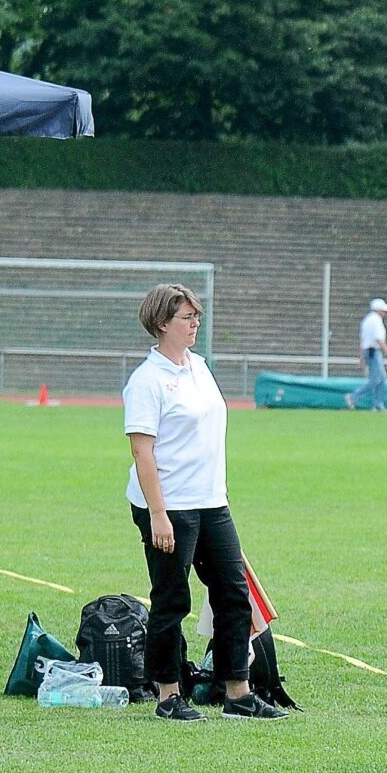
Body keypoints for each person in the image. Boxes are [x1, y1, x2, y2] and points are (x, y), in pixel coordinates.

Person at [123, 284, 288, 723]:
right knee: (172, 599)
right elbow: (143, 453)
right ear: (162, 324)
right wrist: (158, 515)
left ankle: (238, 691)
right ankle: (168, 694)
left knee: (234, 594)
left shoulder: (199, 367)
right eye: (186, 317)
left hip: (211, 501)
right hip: (170, 505)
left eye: (197, 316)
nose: (195, 324)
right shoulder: (147, 381)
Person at [350, 297, 387, 411]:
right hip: (373, 351)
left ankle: (378, 403)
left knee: (381, 378)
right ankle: (355, 396)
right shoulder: (376, 321)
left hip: (368, 350)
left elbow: (363, 340)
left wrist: (361, 358)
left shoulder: (367, 320)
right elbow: (379, 339)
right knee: (376, 379)